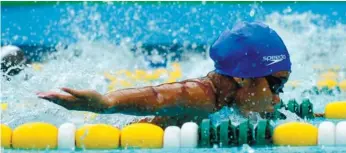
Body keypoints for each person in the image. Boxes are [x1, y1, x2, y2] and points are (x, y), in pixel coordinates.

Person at [37, 21, 291, 127]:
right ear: (242, 77)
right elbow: (157, 96)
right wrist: (105, 103)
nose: (277, 99)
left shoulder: (242, 97)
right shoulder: (200, 96)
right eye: (276, 87)